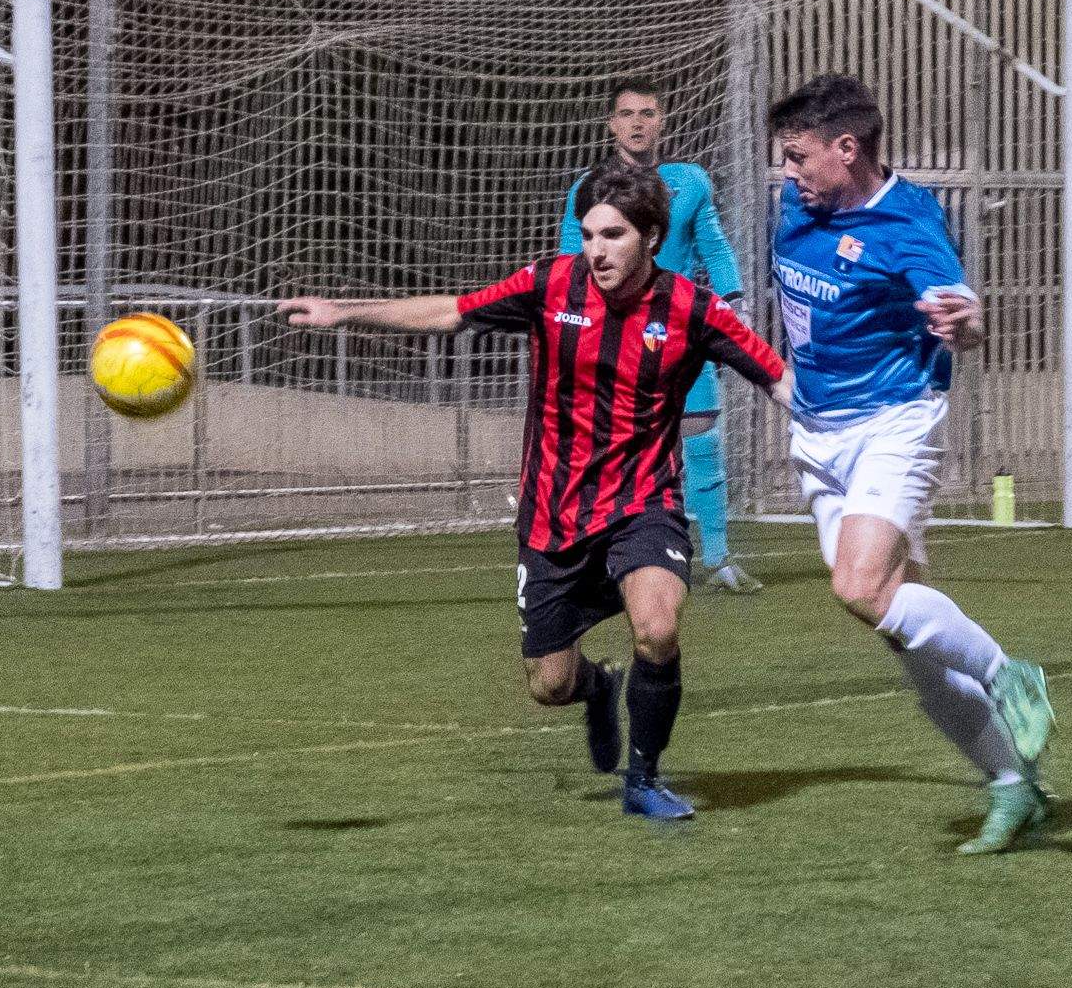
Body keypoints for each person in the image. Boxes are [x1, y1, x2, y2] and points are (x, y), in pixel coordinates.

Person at [280, 159, 791, 820]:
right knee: (550, 684)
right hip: (553, 518)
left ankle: (643, 780)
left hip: (644, 503)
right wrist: (343, 312)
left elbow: (777, 377)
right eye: (589, 234)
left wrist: (843, 435)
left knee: (658, 629)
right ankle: (597, 685)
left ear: (653, 237)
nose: (596, 250)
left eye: (613, 235)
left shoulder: (693, 309)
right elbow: (451, 311)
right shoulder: (551, 285)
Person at [768, 73, 1056, 856]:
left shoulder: (910, 219)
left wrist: (964, 324)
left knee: (856, 587)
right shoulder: (797, 206)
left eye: (798, 157)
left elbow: (962, 317)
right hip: (817, 434)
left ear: (847, 148)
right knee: (903, 627)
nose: (788, 172)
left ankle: (1008, 672)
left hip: (894, 423)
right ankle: (1011, 784)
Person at [561, 79, 762, 594]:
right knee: (610, 451)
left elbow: (714, 248)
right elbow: (568, 263)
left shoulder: (689, 182)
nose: (636, 123)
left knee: (700, 439)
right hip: (612, 339)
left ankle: (718, 559)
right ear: (611, 124)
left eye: (647, 113)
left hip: (676, 330)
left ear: (662, 120)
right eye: (626, 114)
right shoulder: (588, 188)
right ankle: (603, 557)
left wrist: (732, 305)